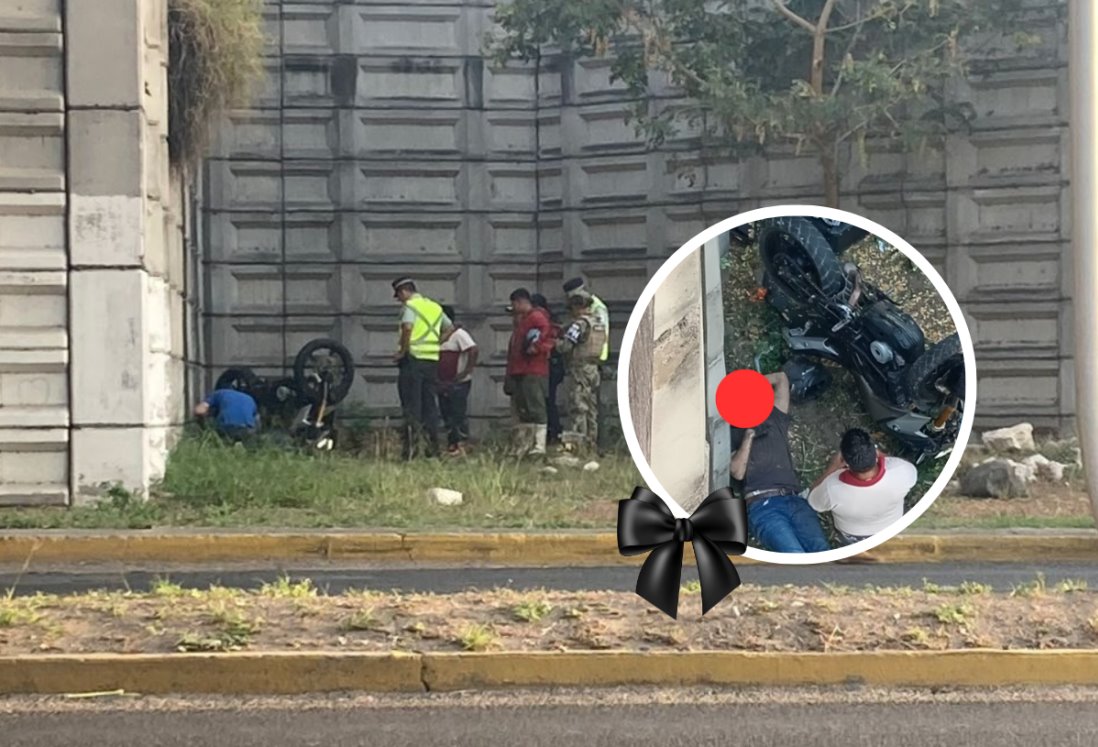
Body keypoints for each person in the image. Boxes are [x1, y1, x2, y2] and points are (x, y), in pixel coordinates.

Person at [729, 371, 830, 553]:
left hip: (795, 499)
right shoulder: (733, 431)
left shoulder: (775, 415)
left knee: (822, 550)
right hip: (763, 504)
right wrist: (749, 435)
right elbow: (737, 472)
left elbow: (781, 378)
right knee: (794, 554)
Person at [807, 428, 918, 545]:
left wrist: (833, 467)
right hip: (892, 527)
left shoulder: (832, 487)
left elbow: (813, 502)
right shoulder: (902, 470)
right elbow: (893, 462)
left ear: (845, 462)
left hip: (854, 536)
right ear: (876, 453)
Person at [392, 277, 453, 460]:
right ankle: (433, 451)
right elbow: (449, 328)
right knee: (429, 407)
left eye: (398, 296)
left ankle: (410, 452)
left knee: (412, 408)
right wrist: (436, 343)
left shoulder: (410, 307)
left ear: (404, 292)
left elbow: (408, 328)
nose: (399, 300)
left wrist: (402, 351)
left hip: (413, 361)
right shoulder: (434, 307)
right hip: (431, 361)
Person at [563, 277, 609, 453]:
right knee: (592, 408)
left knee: (578, 405)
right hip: (594, 365)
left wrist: (557, 342)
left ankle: (577, 445)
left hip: (580, 367)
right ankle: (592, 444)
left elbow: (566, 345)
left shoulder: (580, 323)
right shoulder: (598, 315)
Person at [505, 288, 553, 455]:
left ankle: (539, 445)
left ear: (521, 302)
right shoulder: (523, 320)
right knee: (524, 408)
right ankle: (525, 444)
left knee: (536, 407)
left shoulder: (536, 317)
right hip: (521, 369)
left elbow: (546, 333)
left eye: (514, 304)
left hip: (533, 369)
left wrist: (535, 346)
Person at [437, 304, 478, 456]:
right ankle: (452, 445)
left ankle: (462, 444)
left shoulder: (459, 334)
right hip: (442, 381)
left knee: (458, 413)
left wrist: (467, 370)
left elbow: (473, 349)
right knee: (446, 413)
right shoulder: (437, 336)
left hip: (458, 382)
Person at [533, 293, 566, 445]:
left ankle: (552, 432)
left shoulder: (542, 321)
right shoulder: (553, 322)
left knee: (546, 401)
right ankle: (554, 431)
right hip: (555, 366)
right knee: (548, 400)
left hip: (548, 367)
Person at [194, 388, 259, 444]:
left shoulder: (218, 394)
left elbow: (199, 410)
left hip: (227, 426)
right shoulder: (249, 398)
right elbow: (255, 417)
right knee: (250, 450)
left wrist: (202, 423)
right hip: (247, 428)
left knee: (222, 445)